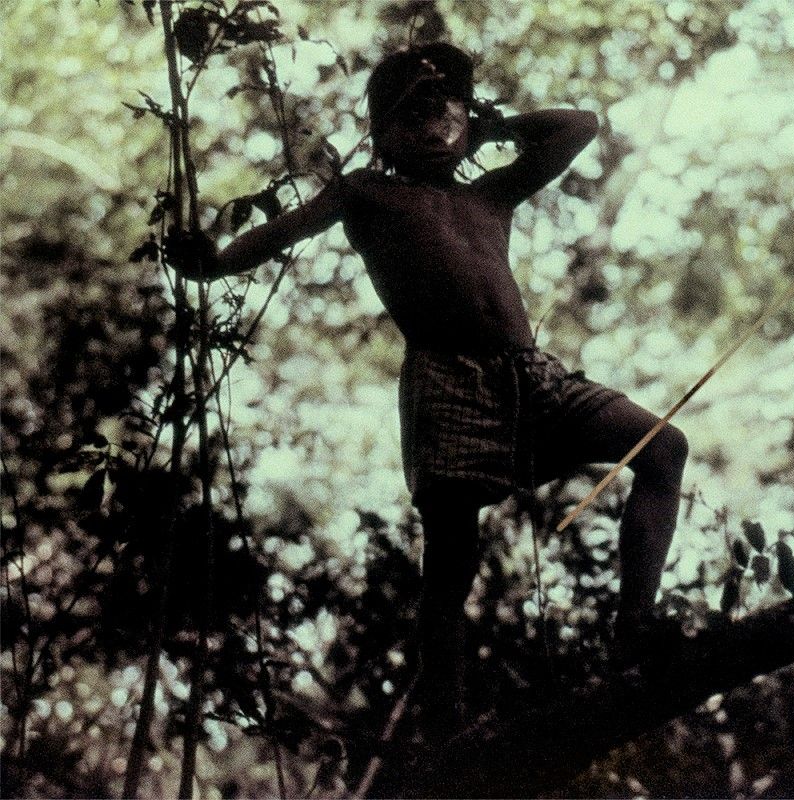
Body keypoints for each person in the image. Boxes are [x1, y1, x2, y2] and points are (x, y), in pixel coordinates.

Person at [166, 42, 687, 734]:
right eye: (412, 111)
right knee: (450, 555)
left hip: (530, 373)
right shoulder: (365, 193)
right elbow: (281, 232)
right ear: (383, 133)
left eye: (445, 107)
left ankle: (635, 629)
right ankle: (445, 719)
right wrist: (212, 265)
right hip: (445, 376)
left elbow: (578, 127)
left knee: (662, 448)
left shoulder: (490, 194)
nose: (433, 120)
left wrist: (493, 123)